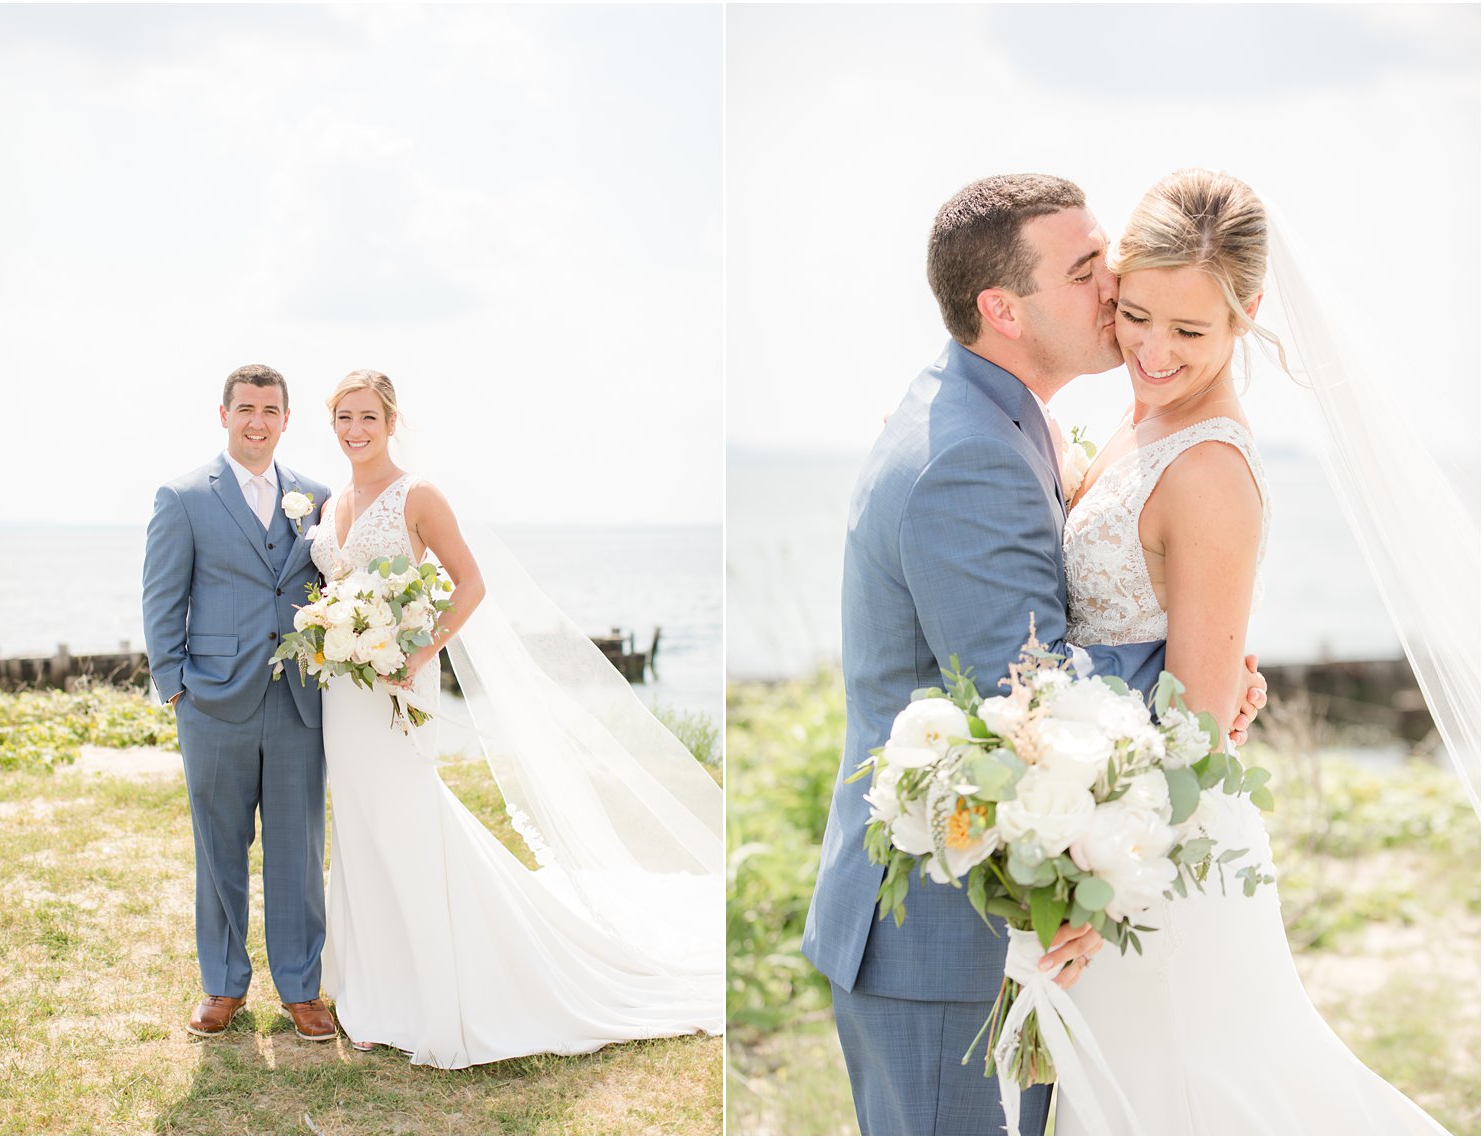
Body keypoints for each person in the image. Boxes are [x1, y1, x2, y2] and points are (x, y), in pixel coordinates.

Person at [801, 175, 1268, 1135]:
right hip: (942, 938)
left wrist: (1204, 657)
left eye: (1111, 261)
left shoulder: (996, 416)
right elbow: (1035, 700)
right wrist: (1200, 683)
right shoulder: (972, 451)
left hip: (1012, 912)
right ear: (1003, 309)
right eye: (1089, 271)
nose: (1114, 292)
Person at [1054, 168, 1445, 1134]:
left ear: (1247, 313)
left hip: (1163, 852)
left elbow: (1192, 722)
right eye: (1136, 315)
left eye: (1190, 331)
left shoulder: (1213, 468)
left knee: (1201, 1089)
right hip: (1124, 823)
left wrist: (1106, 889)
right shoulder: (1147, 415)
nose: (1152, 350)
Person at [306, 369, 722, 1067]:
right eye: (344, 417)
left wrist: (419, 650)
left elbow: (470, 581)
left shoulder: (418, 494)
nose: (355, 429)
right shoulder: (334, 499)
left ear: (391, 420)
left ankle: (425, 992)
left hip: (400, 684)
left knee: (405, 822)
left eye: (368, 417)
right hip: (342, 693)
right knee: (356, 826)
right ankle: (369, 990)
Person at [142, 364, 338, 1043]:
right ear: (223, 414)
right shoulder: (184, 495)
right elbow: (162, 598)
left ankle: (300, 985)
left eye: (271, 409)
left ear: (287, 419)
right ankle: (223, 983)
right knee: (218, 848)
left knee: (298, 847)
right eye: (246, 407)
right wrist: (174, 686)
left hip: (296, 703)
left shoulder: (317, 497)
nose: (258, 420)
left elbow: (333, 591)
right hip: (212, 701)